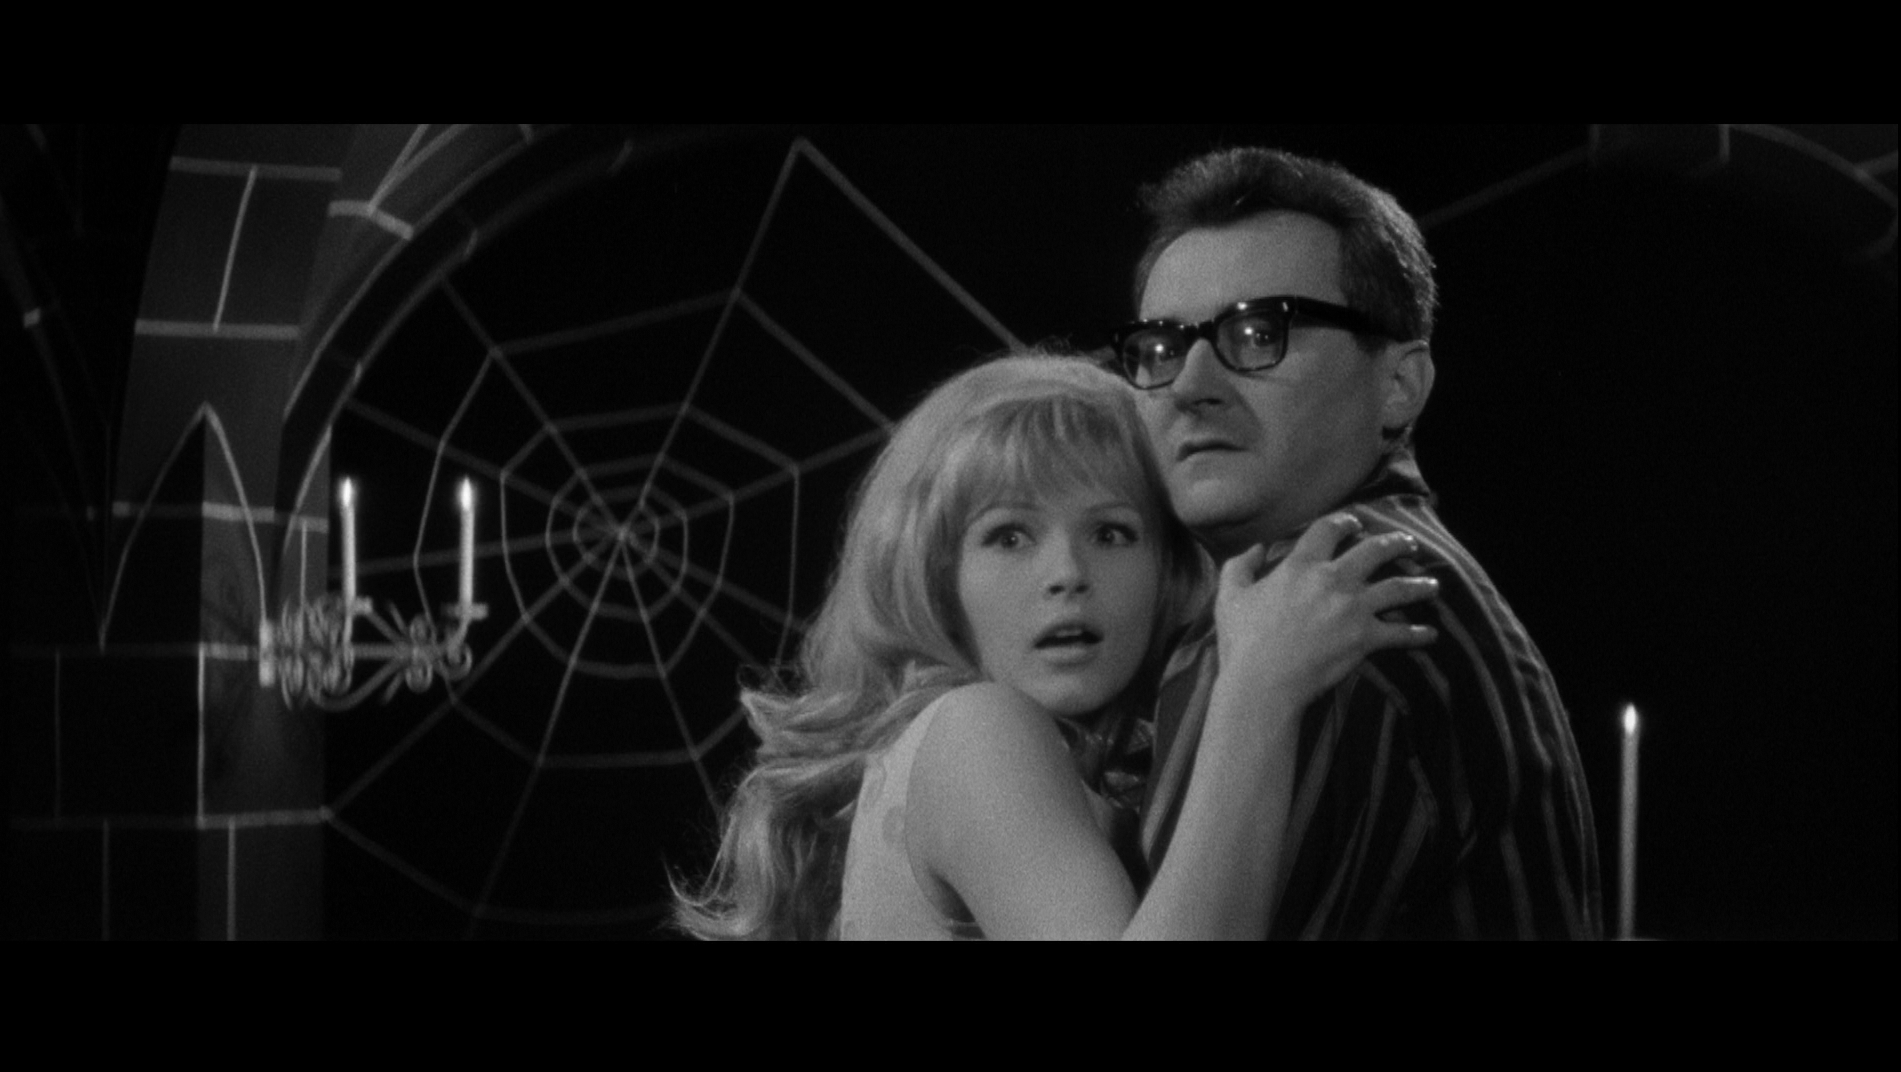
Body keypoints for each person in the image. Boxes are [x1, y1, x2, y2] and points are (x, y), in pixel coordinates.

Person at [672, 352, 1439, 939]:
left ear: (1169, 568)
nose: (1068, 574)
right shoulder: (974, 732)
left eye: (1112, 533)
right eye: (1009, 536)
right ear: (934, 577)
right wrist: (1260, 690)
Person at [1115, 146, 1603, 939]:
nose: (1191, 386)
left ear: (1400, 385)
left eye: (1259, 332)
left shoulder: (1328, 607)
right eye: (1162, 348)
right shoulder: (1374, 576)